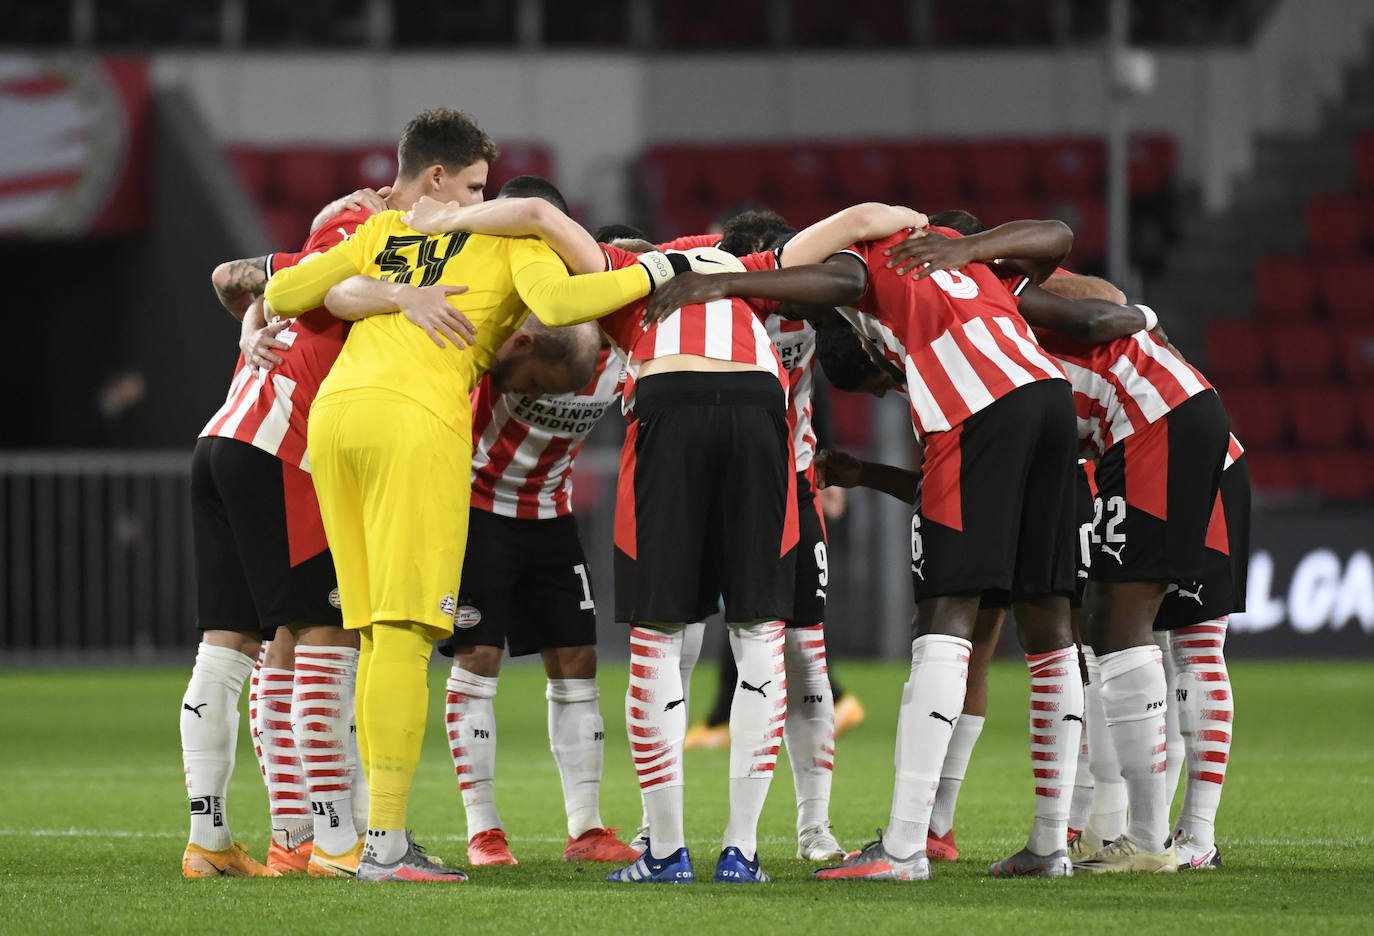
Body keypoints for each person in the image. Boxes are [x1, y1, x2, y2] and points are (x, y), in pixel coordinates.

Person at [403, 198, 928, 884]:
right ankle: (741, 853)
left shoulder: (632, 272)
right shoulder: (751, 268)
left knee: (659, 634)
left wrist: (443, 222)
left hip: (669, 401)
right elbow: (864, 218)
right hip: (758, 412)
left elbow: (533, 211)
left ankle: (665, 852)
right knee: (759, 633)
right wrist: (934, 236)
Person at [260, 115, 674, 883]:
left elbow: (285, 289)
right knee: (407, 633)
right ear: (444, 177)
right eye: (478, 185)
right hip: (416, 427)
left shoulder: (385, 227)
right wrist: (656, 275)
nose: (483, 199)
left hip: (337, 422)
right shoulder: (512, 244)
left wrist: (389, 294)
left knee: (371, 632)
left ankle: (362, 836)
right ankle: (383, 846)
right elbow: (565, 305)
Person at [643, 211, 1089, 881]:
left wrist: (724, 286)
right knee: (1049, 618)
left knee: (944, 614)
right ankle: (1051, 844)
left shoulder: (869, 253)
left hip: (978, 408)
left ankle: (905, 848)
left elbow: (837, 276)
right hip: (1051, 401)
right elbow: (1057, 233)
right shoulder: (967, 264)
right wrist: (969, 246)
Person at [180, 175, 405, 879]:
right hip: (282, 450)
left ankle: (218, 841)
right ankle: (336, 841)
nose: (467, 205)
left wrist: (253, 320)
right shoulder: (374, 242)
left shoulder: (327, 235)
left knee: (234, 645)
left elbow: (228, 278)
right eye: (468, 188)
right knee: (325, 632)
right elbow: (331, 293)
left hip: (222, 438)